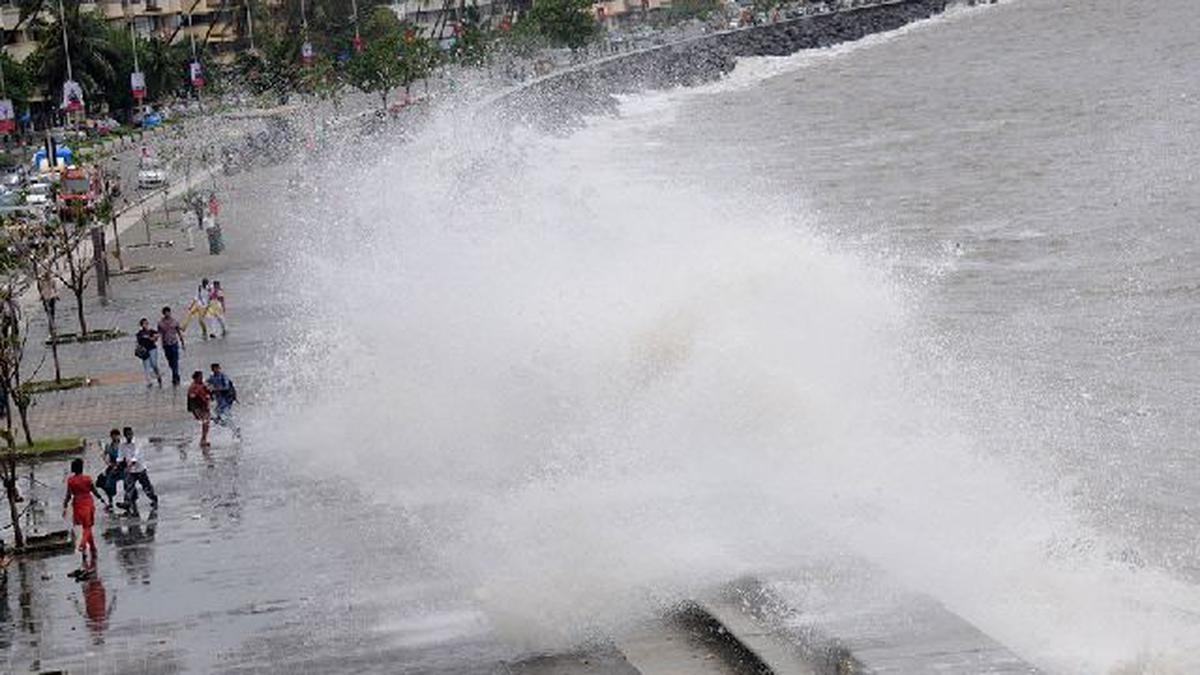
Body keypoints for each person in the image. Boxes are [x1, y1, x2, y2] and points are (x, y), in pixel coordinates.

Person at [63, 458, 106, 572]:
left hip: (77, 504)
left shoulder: (70, 481)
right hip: (87, 503)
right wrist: (101, 499)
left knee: (85, 526)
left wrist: (64, 506)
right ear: (81, 468)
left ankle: (92, 548)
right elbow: (94, 491)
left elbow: (68, 495)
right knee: (88, 527)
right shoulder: (87, 479)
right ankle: (82, 544)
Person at [120, 427, 157, 514]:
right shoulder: (123, 445)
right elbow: (120, 455)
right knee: (129, 487)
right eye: (127, 434)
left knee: (146, 487)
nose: (130, 436)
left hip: (140, 469)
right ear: (125, 435)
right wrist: (120, 463)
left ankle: (154, 499)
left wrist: (131, 463)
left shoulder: (137, 443)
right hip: (130, 471)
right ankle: (127, 502)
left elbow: (136, 456)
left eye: (131, 434)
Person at [206, 363, 239, 438]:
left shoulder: (223, 376)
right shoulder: (212, 377)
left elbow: (226, 387)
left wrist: (216, 389)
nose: (215, 370)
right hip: (219, 400)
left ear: (219, 368)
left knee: (225, 415)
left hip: (226, 400)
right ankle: (233, 428)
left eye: (217, 368)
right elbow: (206, 383)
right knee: (217, 416)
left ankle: (235, 429)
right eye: (214, 368)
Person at [157, 306, 185, 386]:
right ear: (163, 313)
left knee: (175, 361)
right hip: (166, 344)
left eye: (168, 312)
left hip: (174, 343)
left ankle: (175, 377)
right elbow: (159, 333)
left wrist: (182, 343)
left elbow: (179, 332)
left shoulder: (175, 321)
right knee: (170, 361)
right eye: (165, 312)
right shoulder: (160, 323)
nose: (167, 314)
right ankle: (175, 373)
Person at [97, 429, 123, 509]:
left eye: (116, 435)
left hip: (122, 467)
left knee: (129, 484)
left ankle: (129, 501)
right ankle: (110, 500)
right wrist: (109, 463)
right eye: (113, 435)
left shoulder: (123, 445)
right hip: (112, 467)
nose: (114, 437)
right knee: (101, 481)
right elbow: (105, 456)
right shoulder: (109, 446)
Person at [187, 371, 212, 448]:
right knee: (205, 422)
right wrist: (195, 394)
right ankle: (203, 440)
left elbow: (209, 393)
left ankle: (204, 439)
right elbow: (191, 396)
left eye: (202, 376)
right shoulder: (193, 386)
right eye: (200, 377)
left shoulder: (202, 385)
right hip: (198, 407)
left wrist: (209, 392)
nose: (201, 378)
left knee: (206, 423)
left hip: (205, 406)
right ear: (196, 378)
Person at [135, 318, 162, 388]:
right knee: (146, 367)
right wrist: (150, 338)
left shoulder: (151, 331)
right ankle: (149, 382)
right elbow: (139, 340)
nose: (146, 325)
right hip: (144, 351)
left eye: (147, 323)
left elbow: (158, 334)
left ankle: (158, 376)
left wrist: (155, 337)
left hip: (152, 349)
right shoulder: (139, 333)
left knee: (154, 364)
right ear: (141, 325)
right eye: (144, 324)